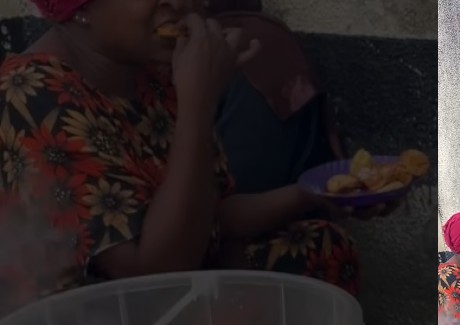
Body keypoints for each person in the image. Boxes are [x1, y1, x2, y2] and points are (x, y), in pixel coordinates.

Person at [0, 0, 372, 303]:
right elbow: (152, 274)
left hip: (171, 286)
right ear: (78, 8)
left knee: (321, 247)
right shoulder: (32, 92)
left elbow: (209, 215)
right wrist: (199, 100)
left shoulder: (151, 76)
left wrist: (311, 194)